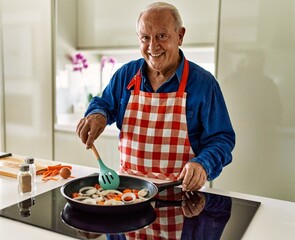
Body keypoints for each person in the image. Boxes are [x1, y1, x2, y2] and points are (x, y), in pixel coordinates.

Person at [76, 2, 235, 192]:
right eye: (145, 38)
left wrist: (203, 164)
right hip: (128, 193)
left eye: (161, 36)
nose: (152, 46)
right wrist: (98, 114)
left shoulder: (204, 84)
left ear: (180, 36)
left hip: (180, 194)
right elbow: (104, 104)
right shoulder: (126, 74)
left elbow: (221, 139)